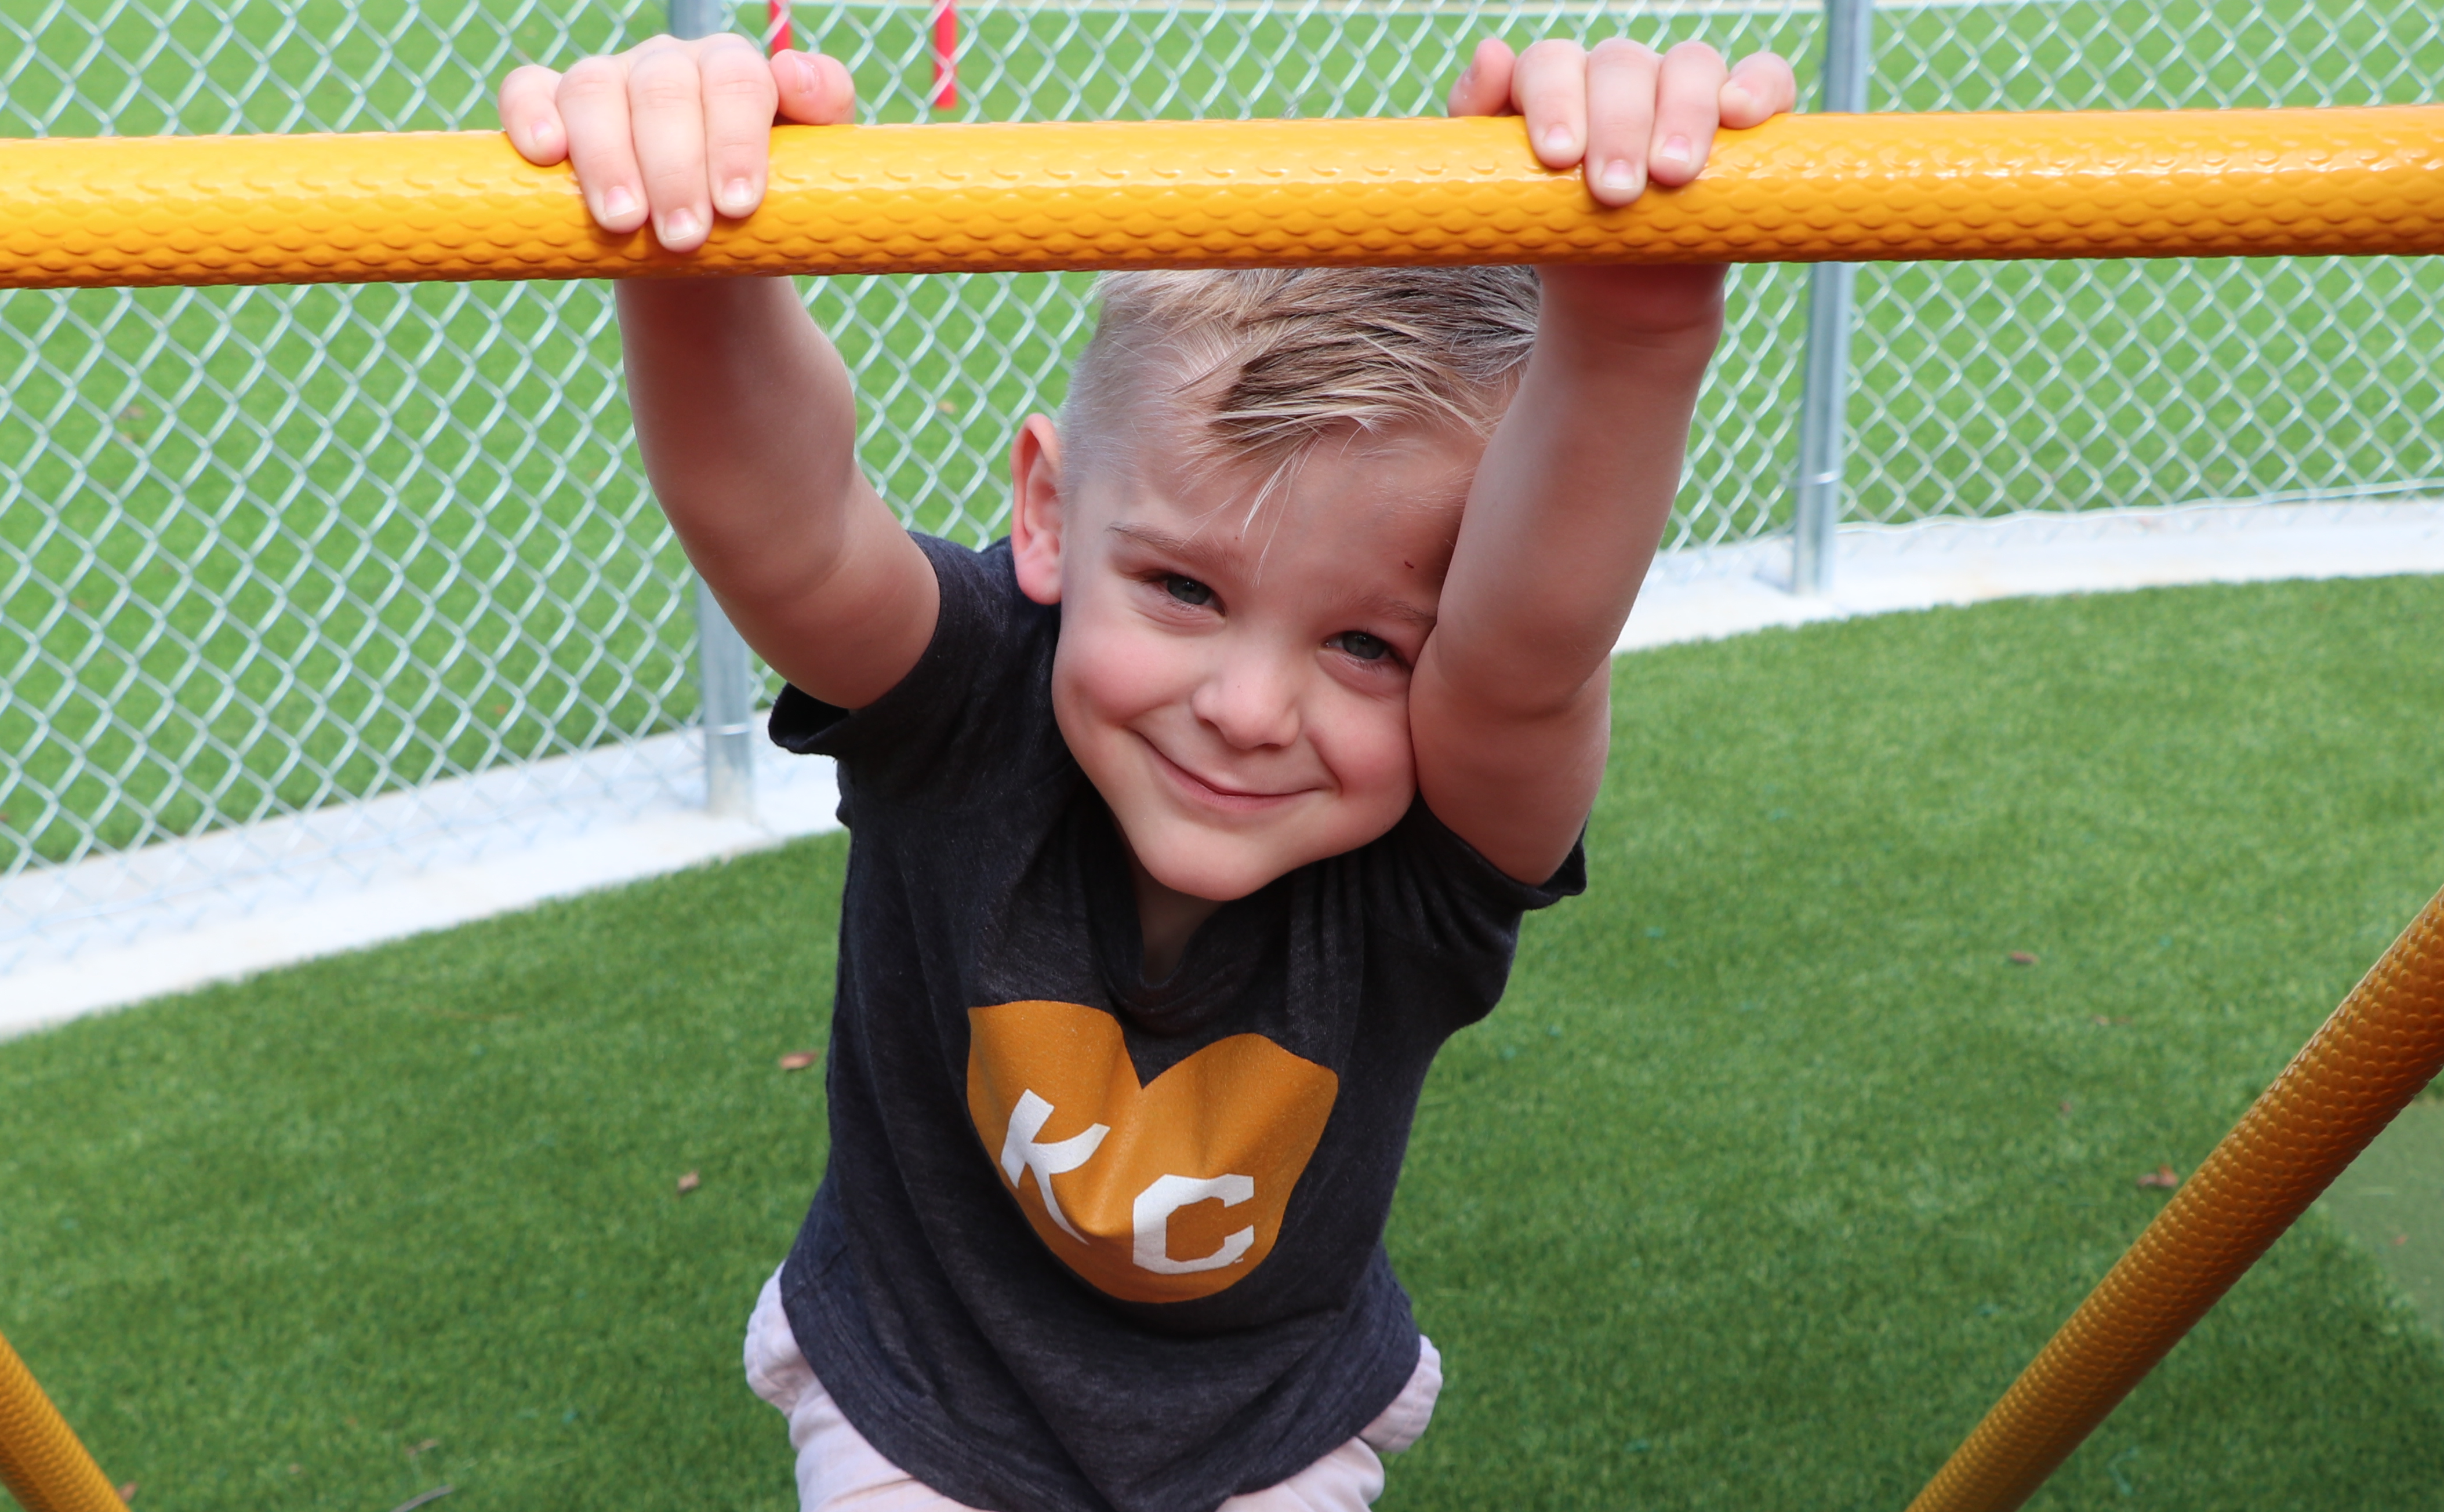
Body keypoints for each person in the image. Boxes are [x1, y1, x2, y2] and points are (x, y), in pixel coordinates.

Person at [496, 34, 1796, 1512]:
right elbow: (778, 522)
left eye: (1369, 643)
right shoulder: (977, 698)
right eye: (1183, 589)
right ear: (1048, 511)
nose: (1250, 708)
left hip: (1266, 1429)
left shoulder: (1436, 837)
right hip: (922, 1391)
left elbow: (1523, 659)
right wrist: (695, 252)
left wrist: (1631, 335)